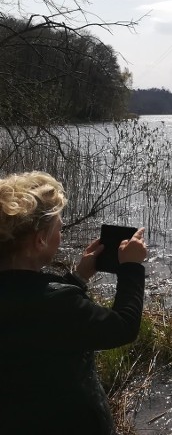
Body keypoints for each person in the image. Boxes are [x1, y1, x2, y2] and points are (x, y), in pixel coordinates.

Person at [0, 171, 147, 435]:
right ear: (40, 240)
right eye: (59, 228)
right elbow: (123, 326)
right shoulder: (60, 303)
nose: (62, 236)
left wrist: (78, 278)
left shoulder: (48, 299)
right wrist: (132, 269)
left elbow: (31, 302)